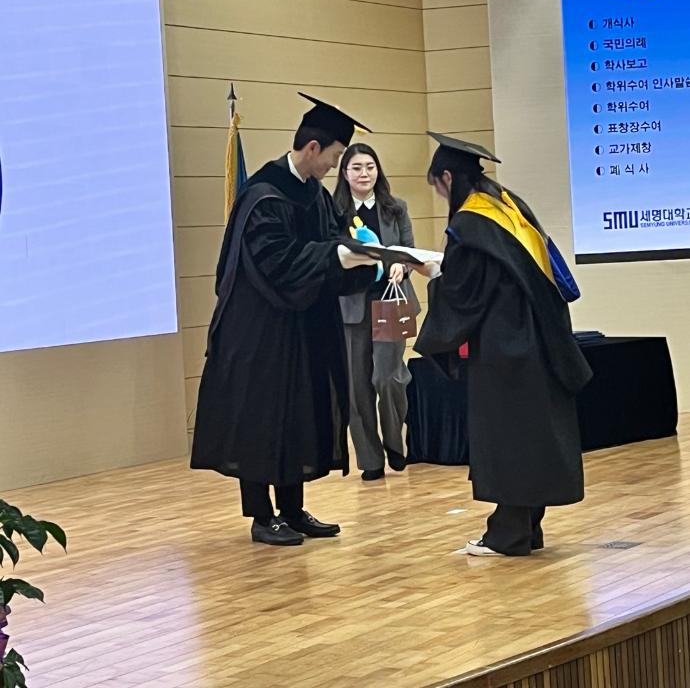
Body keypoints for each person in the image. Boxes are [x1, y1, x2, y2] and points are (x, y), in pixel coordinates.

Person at [191, 93, 377, 547]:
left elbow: (332, 243)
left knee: (299, 413)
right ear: (313, 148)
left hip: (302, 326)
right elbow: (278, 262)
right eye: (334, 156)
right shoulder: (263, 195)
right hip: (259, 331)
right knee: (261, 417)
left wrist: (362, 258)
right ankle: (262, 515)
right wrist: (335, 256)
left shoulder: (314, 194)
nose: (334, 166)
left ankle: (292, 510)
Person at [413, 133, 592, 557]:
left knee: (509, 437)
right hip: (538, 338)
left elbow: (464, 291)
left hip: (505, 346)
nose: (441, 196)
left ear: (447, 177)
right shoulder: (509, 207)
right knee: (531, 434)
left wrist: (434, 274)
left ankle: (508, 534)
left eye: (438, 187)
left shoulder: (471, 223)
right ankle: (528, 527)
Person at [334, 144, 421, 481]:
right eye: (356, 168)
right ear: (345, 173)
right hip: (351, 306)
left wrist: (402, 265)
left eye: (370, 167)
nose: (364, 174)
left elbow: (410, 250)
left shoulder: (395, 208)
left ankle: (395, 441)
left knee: (388, 377)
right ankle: (370, 459)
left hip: (390, 302)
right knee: (357, 386)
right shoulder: (334, 212)